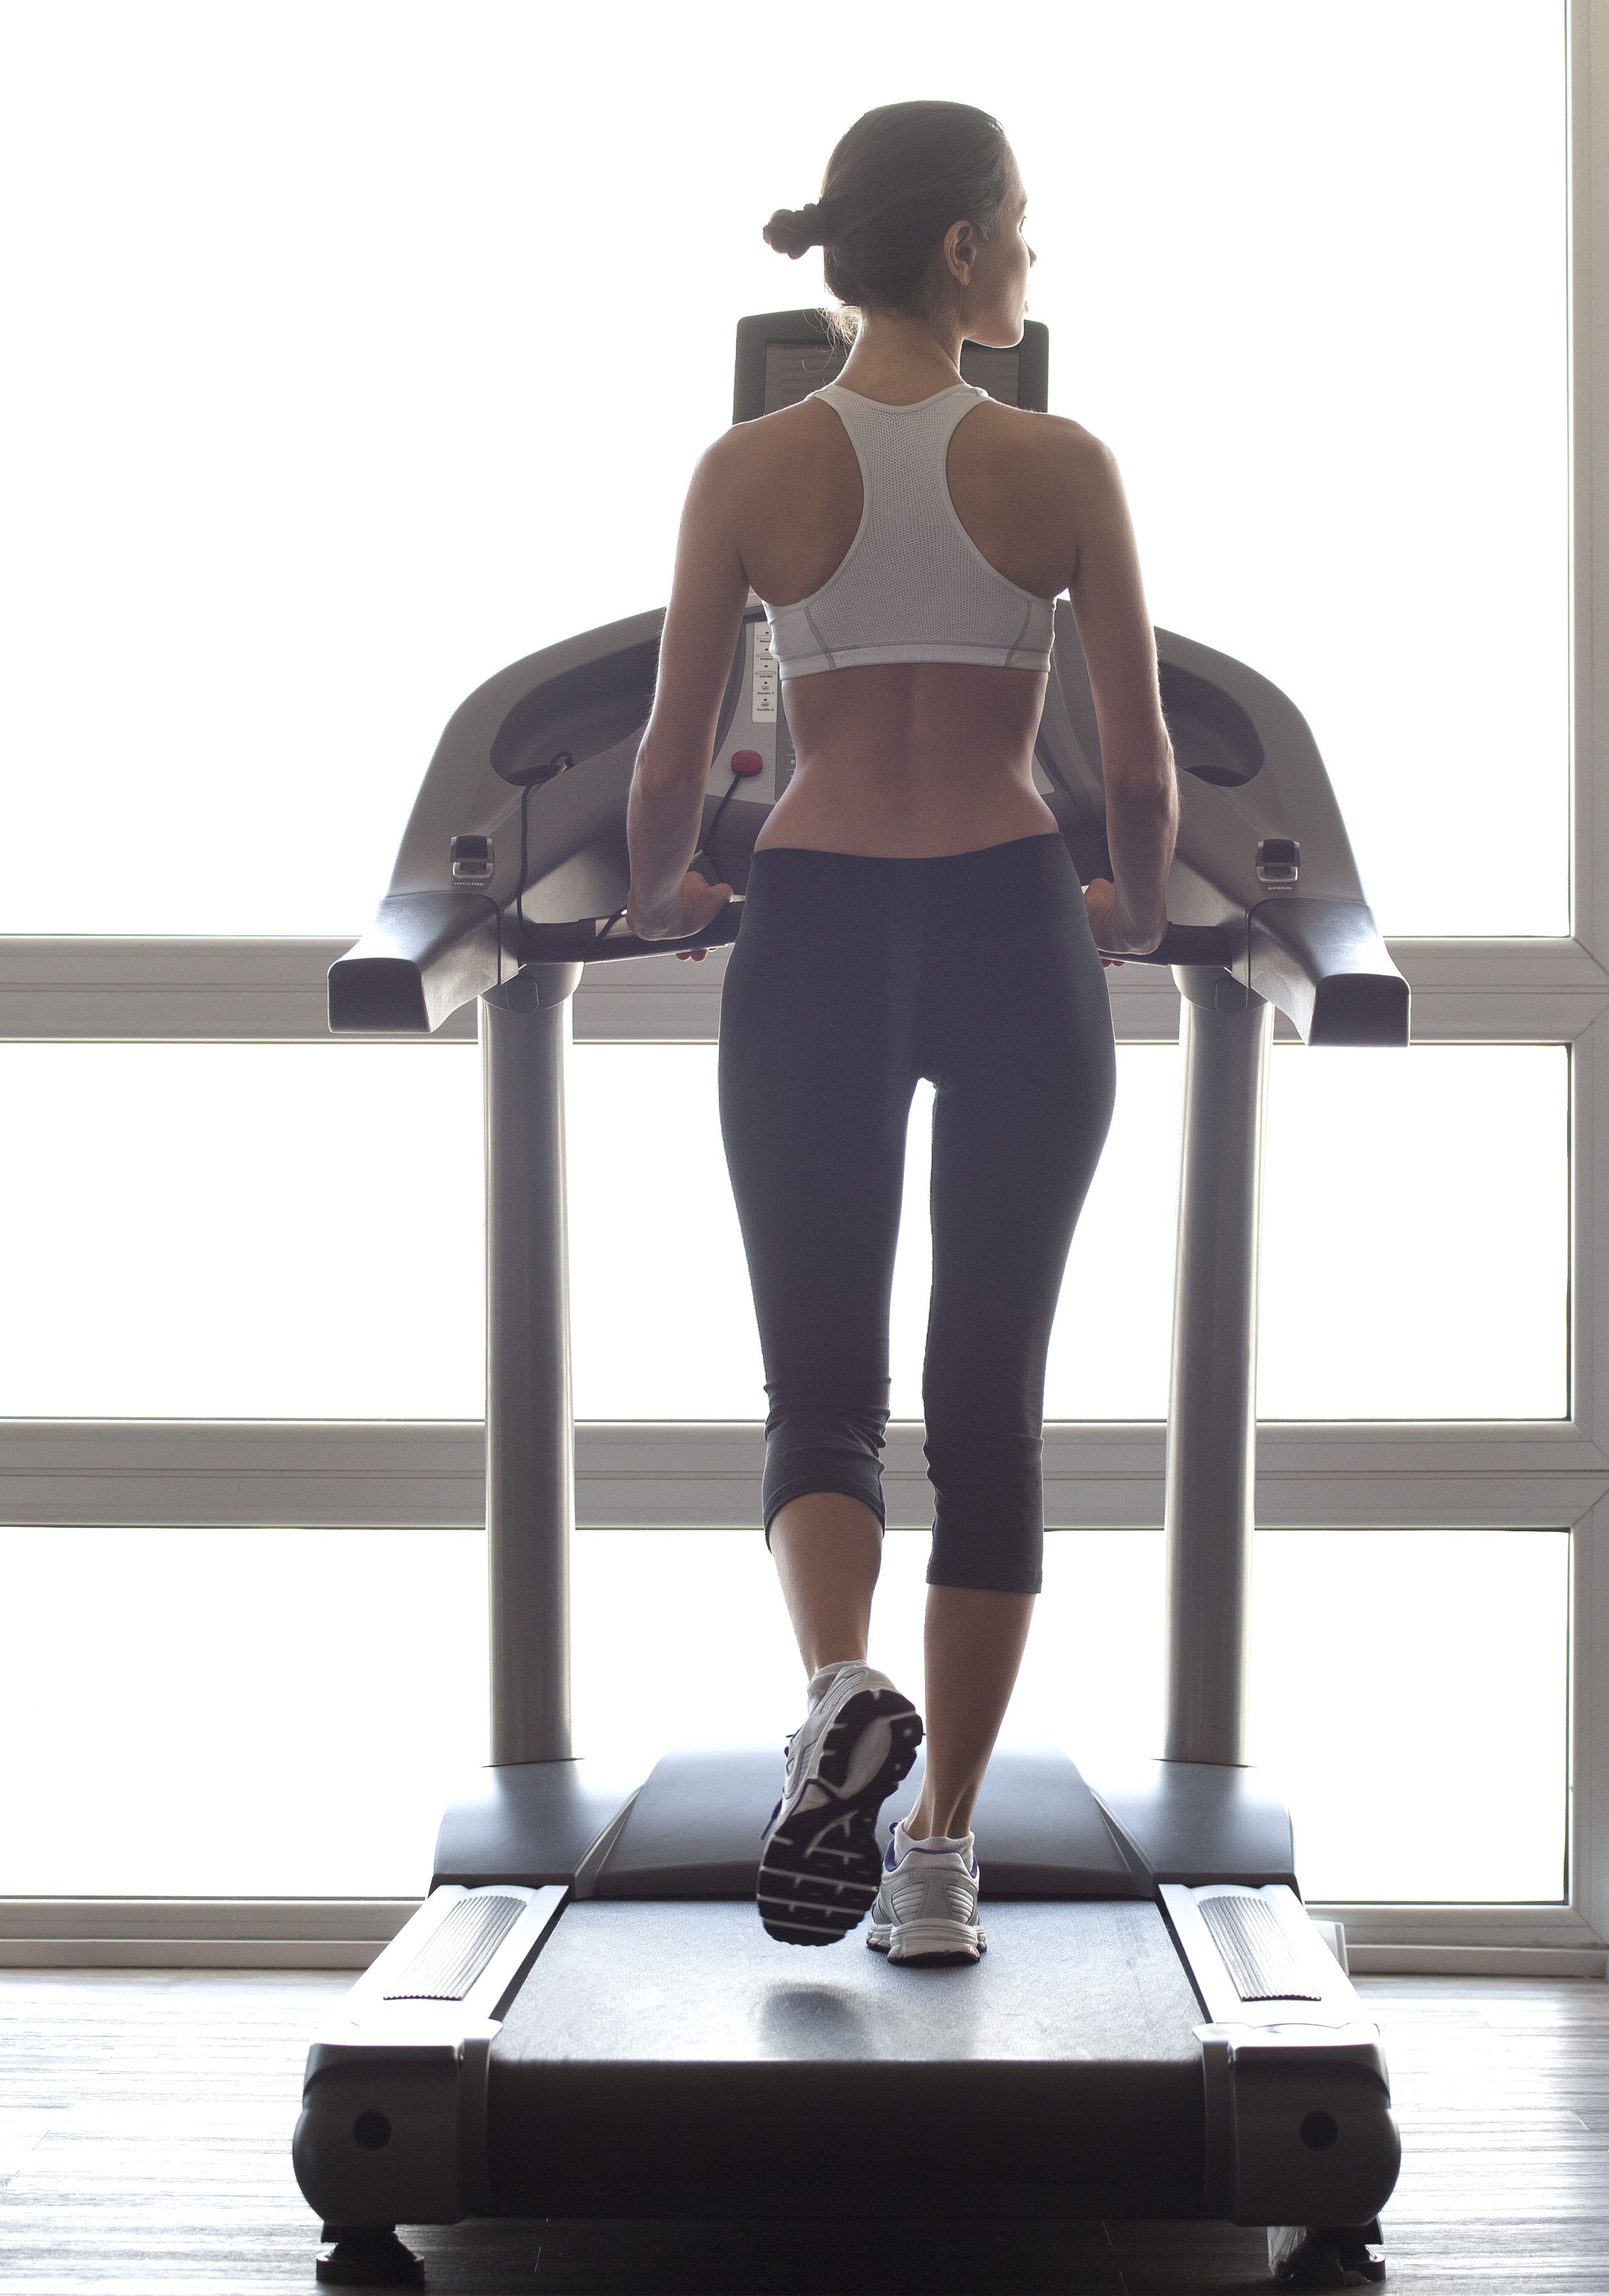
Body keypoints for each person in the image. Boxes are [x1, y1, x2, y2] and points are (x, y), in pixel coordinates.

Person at [621, 99, 1178, 1969]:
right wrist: (1134, 908)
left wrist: (669, 896)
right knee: (990, 1409)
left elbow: (676, 763)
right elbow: (1147, 773)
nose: (1030, 257)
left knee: (820, 1389)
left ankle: (843, 1691)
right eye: (1018, 226)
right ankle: (936, 1852)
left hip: (821, 923)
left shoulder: (747, 471)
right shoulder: (1067, 466)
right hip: (1016, 919)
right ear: (958, 250)